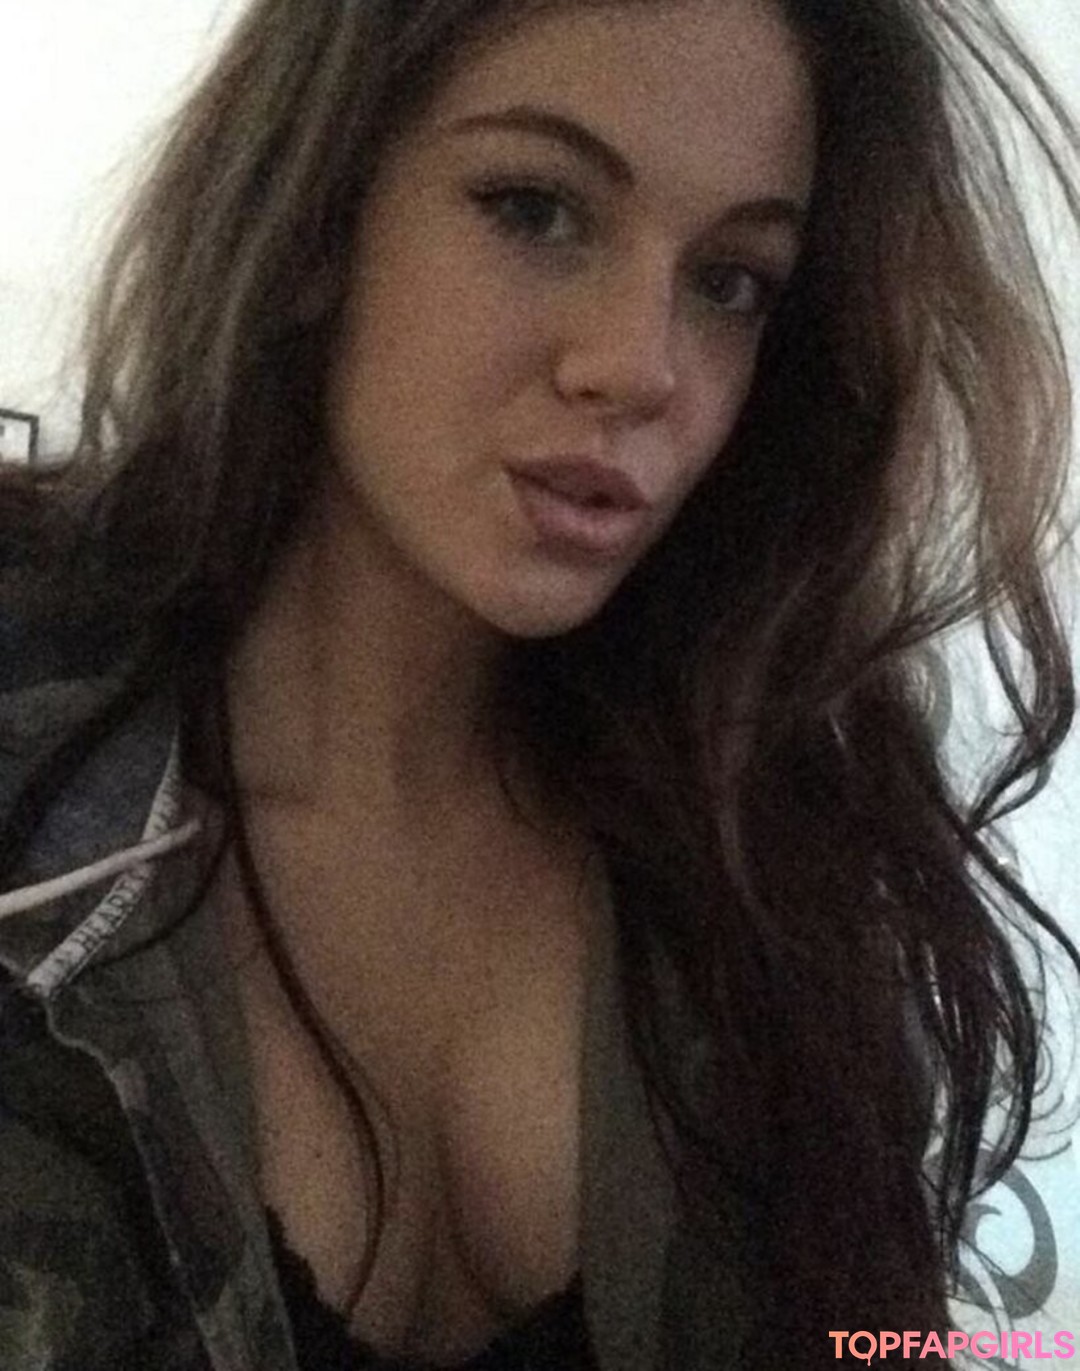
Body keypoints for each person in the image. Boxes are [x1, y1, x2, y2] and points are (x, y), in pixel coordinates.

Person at [1, 0, 1078, 1366]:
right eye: (536, 209)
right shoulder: (39, 789)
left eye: (731, 281)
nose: (641, 366)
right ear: (319, 213)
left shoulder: (772, 862)